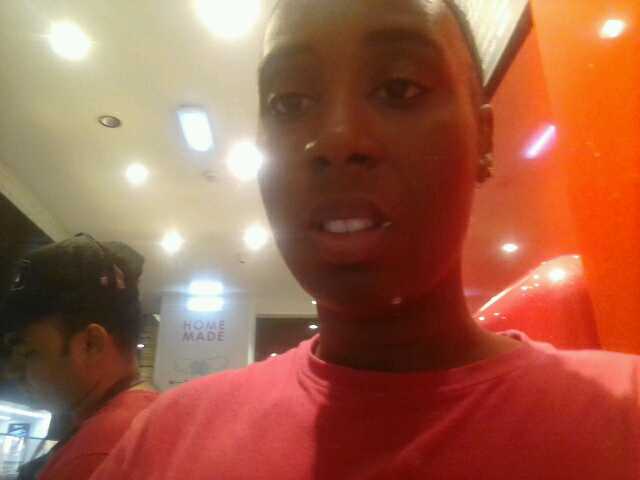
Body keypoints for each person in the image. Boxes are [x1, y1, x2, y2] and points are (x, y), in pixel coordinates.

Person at [91, 1, 639, 478]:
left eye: (399, 88)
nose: (337, 139)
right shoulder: (166, 443)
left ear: (483, 136)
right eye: (288, 102)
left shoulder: (624, 419)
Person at [0, 234, 158, 480]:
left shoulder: (97, 455)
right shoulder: (143, 420)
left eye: (28, 353)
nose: (12, 371)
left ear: (91, 344)